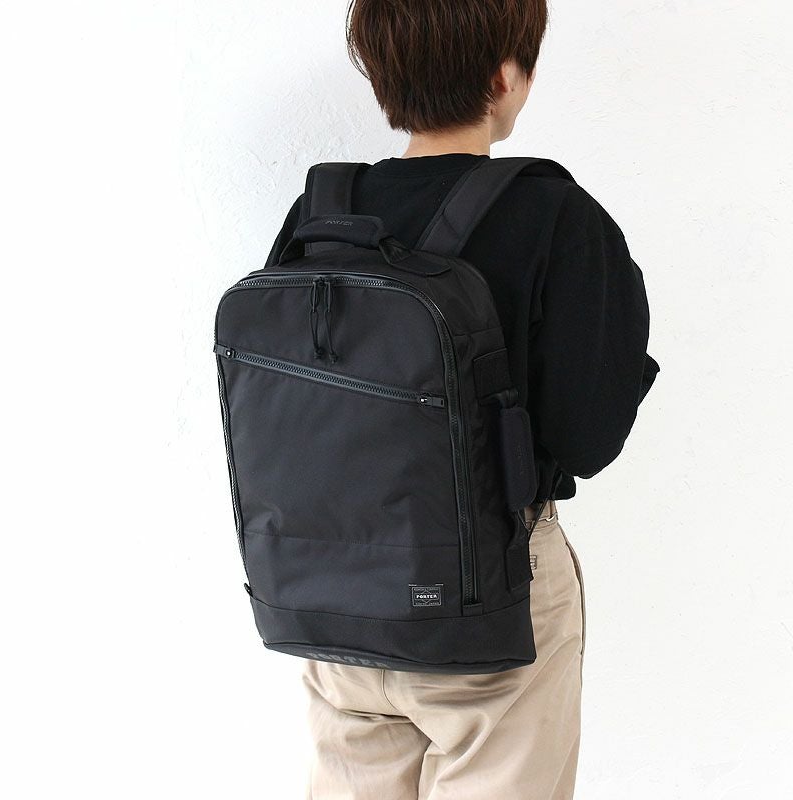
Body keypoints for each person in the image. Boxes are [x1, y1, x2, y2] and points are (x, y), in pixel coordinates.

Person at [262, 2, 660, 797]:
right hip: (491, 604)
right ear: (505, 75)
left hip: (335, 603)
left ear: (383, 75)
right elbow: (586, 438)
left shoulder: (321, 215)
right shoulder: (558, 217)